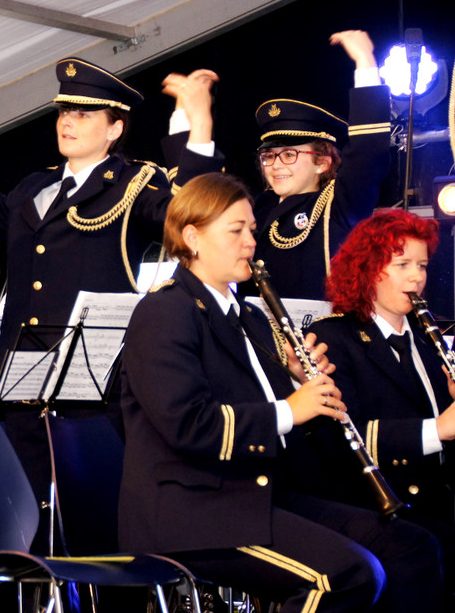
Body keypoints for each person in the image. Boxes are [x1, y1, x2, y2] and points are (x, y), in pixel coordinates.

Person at [119, 172, 443, 611]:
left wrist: (297, 381)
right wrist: (292, 407)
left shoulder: (250, 318)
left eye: (252, 230)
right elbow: (189, 424)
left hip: (258, 497)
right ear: (193, 238)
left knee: (411, 547)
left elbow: (274, 412)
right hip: (196, 513)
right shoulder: (164, 312)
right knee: (345, 576)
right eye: (236, 231)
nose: (250, 242)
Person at [0, 58, 222, 508]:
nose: (67, 122)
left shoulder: (133, 184)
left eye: (83, 114)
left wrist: (197, 127)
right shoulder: (33, 188)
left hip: (99, 389)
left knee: (98, 513)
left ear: (115, 128)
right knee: (31, 514)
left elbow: (194, 215)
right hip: (22, 386)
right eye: (64, 112)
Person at [308, 209, 455, 596]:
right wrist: (440, 428)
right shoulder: (333, 337)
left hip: (438, 496)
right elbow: (343, 437)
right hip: (377, 503)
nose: (416, 277)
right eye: (402, 264)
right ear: (369, 269)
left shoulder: (427, 340)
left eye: (422, 265)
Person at [245, 30, 391, 299]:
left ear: (322, 162)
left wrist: (365, 63)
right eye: (268, 156)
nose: (275, 165)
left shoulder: (340, 204)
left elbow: (368, 153)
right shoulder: (259, 207)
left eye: (289, 154)